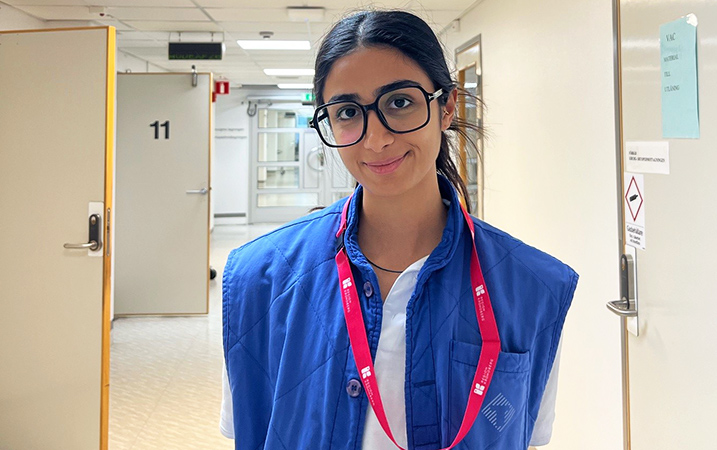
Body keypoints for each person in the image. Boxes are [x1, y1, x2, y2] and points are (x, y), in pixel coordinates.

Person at [220, 10, 578, 450]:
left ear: (446, 107)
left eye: (400, 103)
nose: (376, 139)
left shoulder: (532, 287)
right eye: (348, 112)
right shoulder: (259, 280)